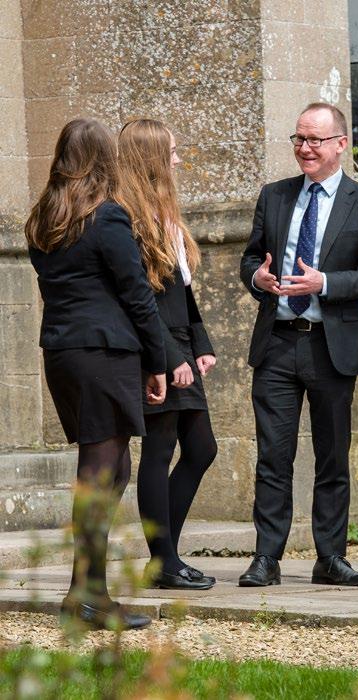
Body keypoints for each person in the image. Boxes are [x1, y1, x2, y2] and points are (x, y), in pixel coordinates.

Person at [239, 103, 358, 588]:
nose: (305, 148)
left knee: (332, 457)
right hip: (278, 345)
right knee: (273, 457)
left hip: (332, 346)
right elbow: (250, 260)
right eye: (299, 139)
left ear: (341, 144)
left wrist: (324, 282)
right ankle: (267, 558)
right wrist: (259, 279)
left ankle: (330, 558)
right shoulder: (274, 196)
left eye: (315, 140)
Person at [26, 118, 167, 629]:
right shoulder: (106, 216)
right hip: (103, 354)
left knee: (111, 469)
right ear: (105, 158)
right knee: (100, 474)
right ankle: (86, 598)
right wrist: (159, 361)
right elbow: (136, 294)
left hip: (64, 353)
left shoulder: (44, 219)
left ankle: (87, 592)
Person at [117, 118, 217, 590]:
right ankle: (165, 561)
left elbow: (182, 291)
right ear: (151, 158)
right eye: (172, 152)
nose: (177, 160)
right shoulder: (128, 220)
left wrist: (201, 344)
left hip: (178, 342)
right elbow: (142, 300)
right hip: (154, 347)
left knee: (202, 448)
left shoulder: (164, 213)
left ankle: (165, 558)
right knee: (159, 451)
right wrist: (170, 356)